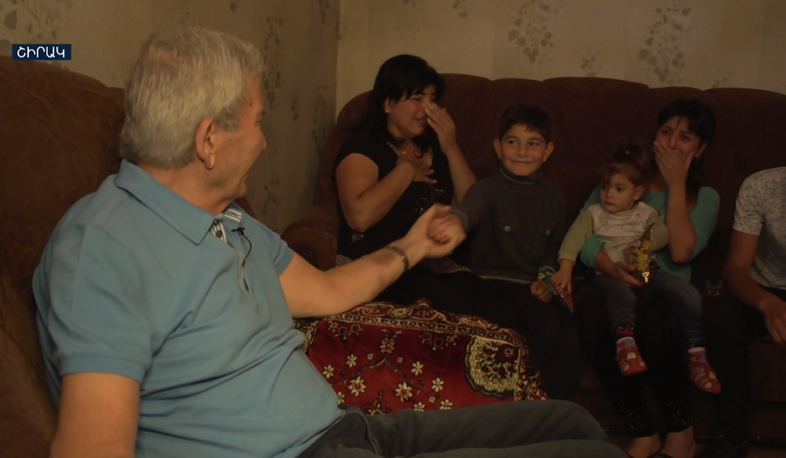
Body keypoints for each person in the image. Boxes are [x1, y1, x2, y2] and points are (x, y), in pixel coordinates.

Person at [32, 27, 629, 458]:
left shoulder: (230, 221)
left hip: (349, 430)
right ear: (209, 141)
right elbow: (94, 446)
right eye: (259, 121)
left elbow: (328, 289)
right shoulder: (104, 247)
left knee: (572, 420)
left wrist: (416, 245)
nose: (265, 142)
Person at [577, 99, 720, 458]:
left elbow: (681, 251)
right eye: (666, 132)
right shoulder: (620, 178)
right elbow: (584, 235)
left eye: (685, 137)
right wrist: (612, 268)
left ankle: (680, 433)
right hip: (611, 277)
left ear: (700, 149)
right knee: (593, 311)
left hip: (661, 286)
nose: (672, 143)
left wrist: (675, 185)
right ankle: (642, 431)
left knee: (654, 316)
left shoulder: (705, 197)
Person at [429, 104, 583, 400]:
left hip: (532, 287)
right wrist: (453, 223)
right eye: (513, 142)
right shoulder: (487, 189)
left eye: (533, 143)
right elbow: (468, 212)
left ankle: (553, 417)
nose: (522, 151)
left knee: (571, 335)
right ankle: (519, 409)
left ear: (548, 150)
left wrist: (548, 283)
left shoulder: (554, 197)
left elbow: (553, 251)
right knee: (544, 324)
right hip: (489, 284)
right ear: (498, 148)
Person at [554, 143, 720, 394]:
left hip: (644, 268)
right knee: (619, 296)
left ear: (637, 192)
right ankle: (626, 346)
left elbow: (663, 233)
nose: (609, 194)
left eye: (619, 189)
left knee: (687, 293)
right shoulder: (594, 214)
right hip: (609, 273)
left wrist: (646, 243)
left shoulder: (646, 213)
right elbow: (573, 240)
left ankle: (697, 355)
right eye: (605, 187)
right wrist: (565, 268)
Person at [333, 54, 482, 315]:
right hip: (382, 264)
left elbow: (473, 203)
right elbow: (359, 216)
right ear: (388, 103)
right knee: (456, 311)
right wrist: (405, 170)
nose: (427, 108)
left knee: (509, 312)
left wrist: (450, 146)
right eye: (417, 99)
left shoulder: (433, 144)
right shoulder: (363, 146)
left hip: (439, 265)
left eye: (432, 99)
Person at [701, 166, 786, 458]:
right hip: (763, 288)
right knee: (721, 315)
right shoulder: (762, 186)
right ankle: (732, 434)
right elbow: (735, 271)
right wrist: (767, 303)